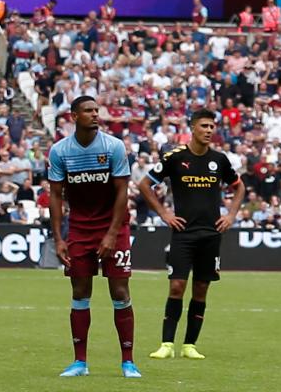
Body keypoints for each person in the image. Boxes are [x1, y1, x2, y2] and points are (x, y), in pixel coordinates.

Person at [48, 96, 141, 378]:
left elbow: (122, 191)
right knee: (79, 292)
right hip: (79, 229)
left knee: (120, 292)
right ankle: (80, 362)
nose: (95, 114)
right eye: (88, 111)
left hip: (114, 227)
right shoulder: (60, 151)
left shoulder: (113, 147)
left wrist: (112, 234)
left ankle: (128, 362)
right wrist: (59, 238)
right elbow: (55, 195)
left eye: (97, 110)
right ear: (74, 116)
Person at [140, 109, 245, 361]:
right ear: (193, 128)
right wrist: (165, 214)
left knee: (201, 289)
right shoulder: (174, 157)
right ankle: (166, 343)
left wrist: (230, 215)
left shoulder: (219, 159)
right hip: (183, 234)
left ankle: (190, 345)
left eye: (212, 126)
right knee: (177, 286)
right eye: (204, 126)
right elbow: (145, 184)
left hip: (211, 234)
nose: (209, 130)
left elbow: (239, 186)